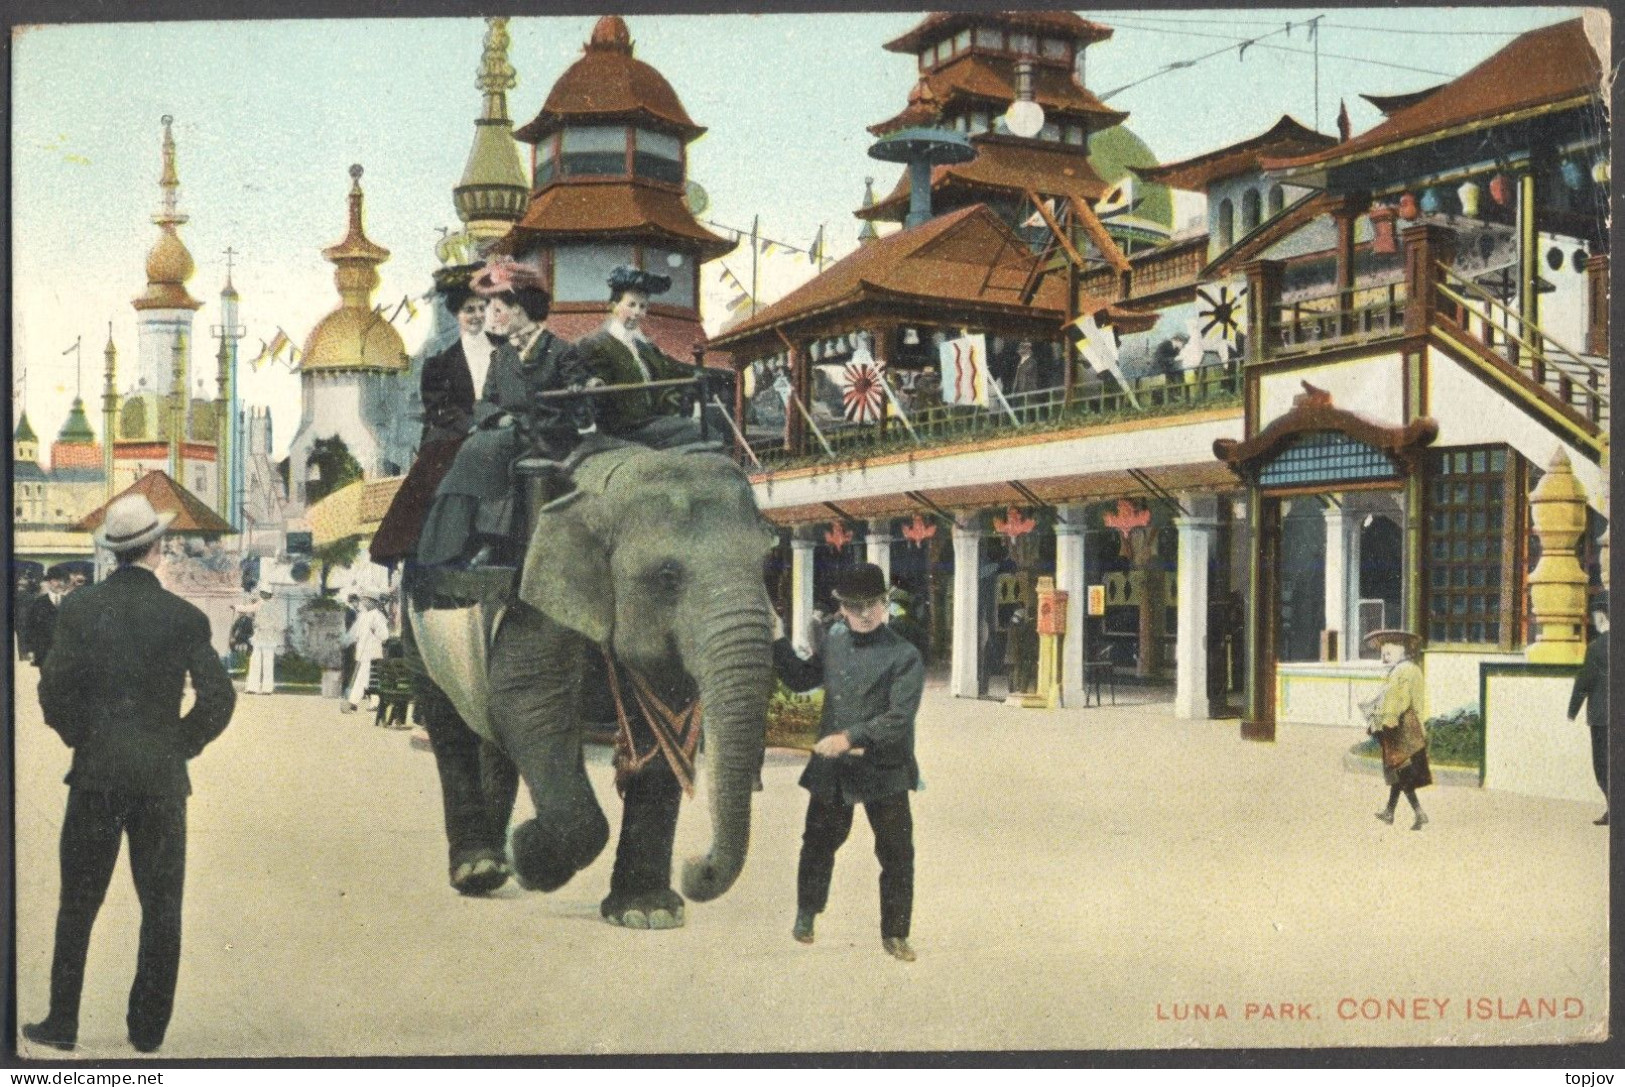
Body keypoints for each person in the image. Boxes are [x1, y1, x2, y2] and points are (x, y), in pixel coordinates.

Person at [24, 493, 236, 1054]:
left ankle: (62, 1023)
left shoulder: (78, 609)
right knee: (161, 906)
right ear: (158, 549)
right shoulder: (184, 617)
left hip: (95, 776)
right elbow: (219, 697)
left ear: (114, 552)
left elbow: (53, 688)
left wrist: (80, 737)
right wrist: (179, 745)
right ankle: (145, 1032)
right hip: (161, 782)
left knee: (77, 904)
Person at [772, 562, 925, 962]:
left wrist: (849, 738)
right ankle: (807, 913)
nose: (862, 614)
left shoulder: (904, 655)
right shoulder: (835, 640)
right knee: (818, 843)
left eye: (871, 604)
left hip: (885, 766)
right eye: (853, 606)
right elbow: (802, 679)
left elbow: (898, 718)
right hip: (834, 768)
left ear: (884, 604)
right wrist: (775, 639)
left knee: (896, 853)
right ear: (841, 607)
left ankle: (895, 934)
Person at [416, 258, 589, 567]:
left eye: (496, 310)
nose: (491, 319)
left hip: (547, 434)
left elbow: (579, 395)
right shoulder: (503, 354)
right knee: (477, 448)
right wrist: (499, 417)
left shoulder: (561, 351)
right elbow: (485, 401)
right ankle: (447, 546)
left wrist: (582, 388)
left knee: (490, 448)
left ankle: (492, 541)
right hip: (510, 432)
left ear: (519, 310)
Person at [573, 265, 723, 450]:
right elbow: (597, 387)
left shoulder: (643, 346)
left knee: (713, 425)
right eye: (631, 305)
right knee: (703, 432)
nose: (637, 313)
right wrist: (595, 383)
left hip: (650, 422)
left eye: (643, 306)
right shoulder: (595, 343)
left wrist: (704, 374)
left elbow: (671, 369)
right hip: (624, 429)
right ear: (613, 306)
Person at [1363, 629, 1431, 830]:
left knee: (1400, 771)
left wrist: (1383, 723)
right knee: (1401, 772)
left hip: (1401, 726)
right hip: (1411, 724)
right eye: (1384, 651)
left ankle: (1412, 812)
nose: (1385, 654)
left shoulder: (1402, 671)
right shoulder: (1412, 669)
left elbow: (1397, 701)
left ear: (1401, 651)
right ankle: (1393, 812)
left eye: (1390, 650)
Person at [1567, 593, 1609, 826]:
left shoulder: (1596, 648)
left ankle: (1614, 809)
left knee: (1603, 765)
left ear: (1602, 617)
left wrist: (1572, 711)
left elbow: (1583, 682)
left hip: (1602, 717)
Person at [340, 595, 390, 715]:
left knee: (365, 678)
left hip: (372, 653)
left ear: (373, 602)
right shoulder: (362, 616)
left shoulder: (378, 616)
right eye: (364, 600)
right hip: (362, 653)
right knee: (368, 679)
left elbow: (385, 636)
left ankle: (353, 703)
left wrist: (375, 632)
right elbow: (356, 634)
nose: (364, 602)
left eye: (367, 600)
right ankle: (372, 702)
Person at [25, 565, 73, 669]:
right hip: (44, 653)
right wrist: (30, 649)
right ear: (49, 582)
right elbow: (30, 627)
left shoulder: (69, 602)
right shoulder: (38, 603)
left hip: (64, 653)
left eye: (62, 580)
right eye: (56, 580)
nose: (59, 583)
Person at [242, 587, 283, 695]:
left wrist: (267, 626)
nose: (263, 595)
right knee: (255, 661)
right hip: (259, 636)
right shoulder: (259, 604)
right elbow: (249, 608)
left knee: (267, 662)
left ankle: (267, 688)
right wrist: (236, 607)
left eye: (265, 594)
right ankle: (252, 687)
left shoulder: (275, 607)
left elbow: (278, 624)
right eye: (262, 593)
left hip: (268, 637)